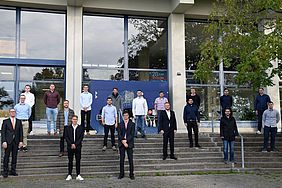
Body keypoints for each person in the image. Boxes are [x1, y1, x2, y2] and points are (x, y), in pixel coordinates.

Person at [1, 108, 23, 178]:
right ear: (9, 113)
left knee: (14, 157)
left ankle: (13, 171)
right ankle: (5, 171)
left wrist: (21, 141)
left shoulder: (19, 121)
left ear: (15, 113)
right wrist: (4, 141)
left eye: (14, 112)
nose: (13, 113)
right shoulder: (5, 121)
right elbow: (3, 132)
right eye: (11, 112)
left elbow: (21, 132)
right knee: (6, 157)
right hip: (8, 141)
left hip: (16, 142)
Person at [65, 115, 84, 181]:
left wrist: (75, 144)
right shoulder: (68, 128)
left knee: (78, 161)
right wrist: (71, 144)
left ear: (77, 120)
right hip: (70, 147)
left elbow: (81, 138)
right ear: (71, 120)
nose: (75, 120)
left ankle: (78, 174)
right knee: (70, 161)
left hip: (78, 147)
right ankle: (69, 174)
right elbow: (66, 137)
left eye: (76, 119)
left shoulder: (80, 128)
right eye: (73, 119)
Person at [117, 111, 135, 180]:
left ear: (128, 116)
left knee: (130, 159)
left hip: (129, 143)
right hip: (122, 143)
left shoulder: (132, 124)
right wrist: (123, 141)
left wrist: (126, 141)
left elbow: (132, 134)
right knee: (122, 159)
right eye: (124, 115)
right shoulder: (120, 124)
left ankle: (131, 174)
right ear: (123, 116)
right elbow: (119, 134)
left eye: (126, 115)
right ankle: (121, 174)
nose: (125, 116)